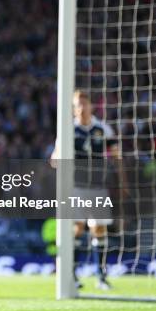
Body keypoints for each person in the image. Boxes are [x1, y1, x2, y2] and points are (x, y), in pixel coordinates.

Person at [52, 90, 125, 291]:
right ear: (74, 109)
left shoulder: (103, 128)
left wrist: (123, 181)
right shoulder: (67, 130)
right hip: (76, 187)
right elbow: (54, 158)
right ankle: (72, 275)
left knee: (99, 229)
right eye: (78, 104)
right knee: (76, 228)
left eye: (85, 103)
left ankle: (101, 277)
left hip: (98, 187)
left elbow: (117, 156)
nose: (82, 107)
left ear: (92, 106)